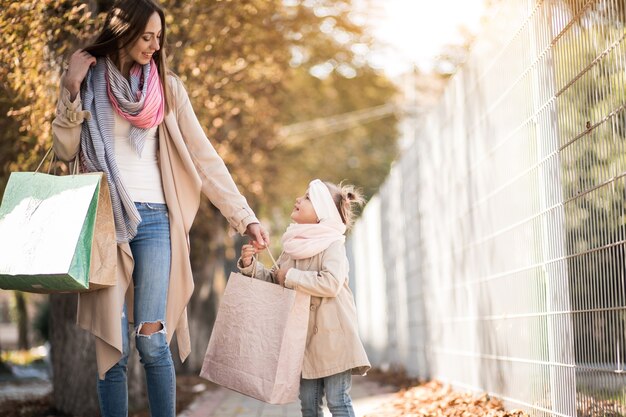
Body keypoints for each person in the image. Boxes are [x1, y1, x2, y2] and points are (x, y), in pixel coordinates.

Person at [51, 1, 269, 416]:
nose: (155, 45)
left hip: (156, 220)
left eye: (158, 37)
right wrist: (70, 89)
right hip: (104, 221)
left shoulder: (167, 88)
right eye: (146, 36)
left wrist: (245, 217)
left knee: (152, 341)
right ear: (123, 31)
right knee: (110, 347)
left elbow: (205, 158)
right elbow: (64, 151)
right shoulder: (90, 80)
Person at [239, 179, 370, 417]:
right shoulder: (292, 245)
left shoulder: (332, 245)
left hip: (334, 338)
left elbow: (330, 283)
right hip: (303, 341)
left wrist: (290, 275)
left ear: (322, 211)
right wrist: (250, 265)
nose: (299, 199)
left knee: (337, 400)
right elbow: (275, 281)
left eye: (308, 198)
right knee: (309, 404)